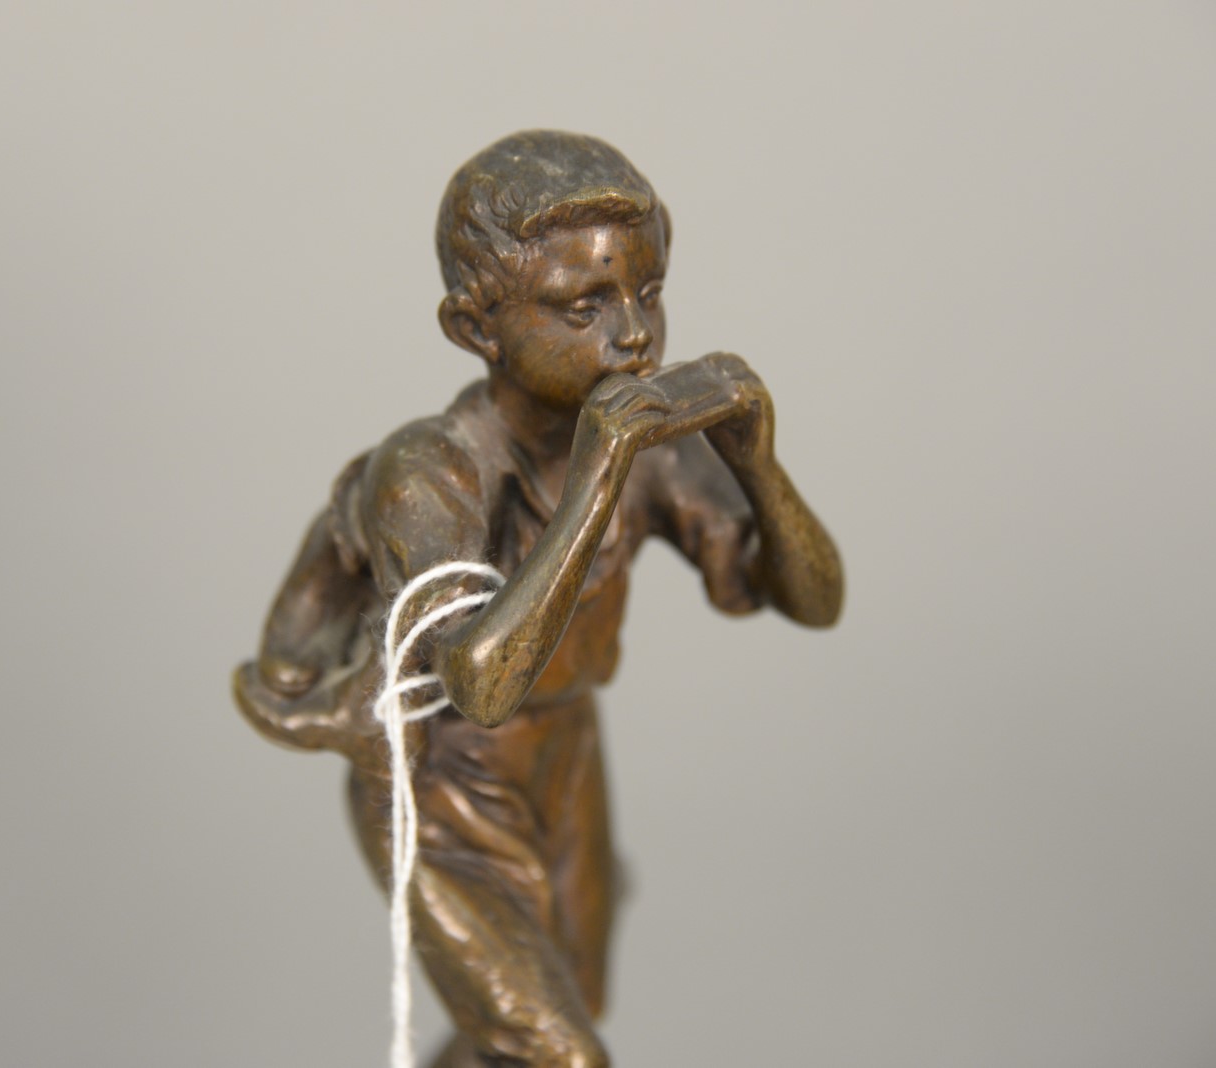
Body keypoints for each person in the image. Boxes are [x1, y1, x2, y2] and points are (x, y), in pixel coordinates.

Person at [233, 129, 842, 1068]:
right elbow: (478, 685)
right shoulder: (431, 473)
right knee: (563, 1055)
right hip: (446, 789)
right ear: (476, 330)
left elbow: (813, 601)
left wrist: (759, 467)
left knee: (553, 1021)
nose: (633, 335)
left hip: (567, 758)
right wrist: (597, 479)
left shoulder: (652, 451)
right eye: (582, 307)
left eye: (648, 293)